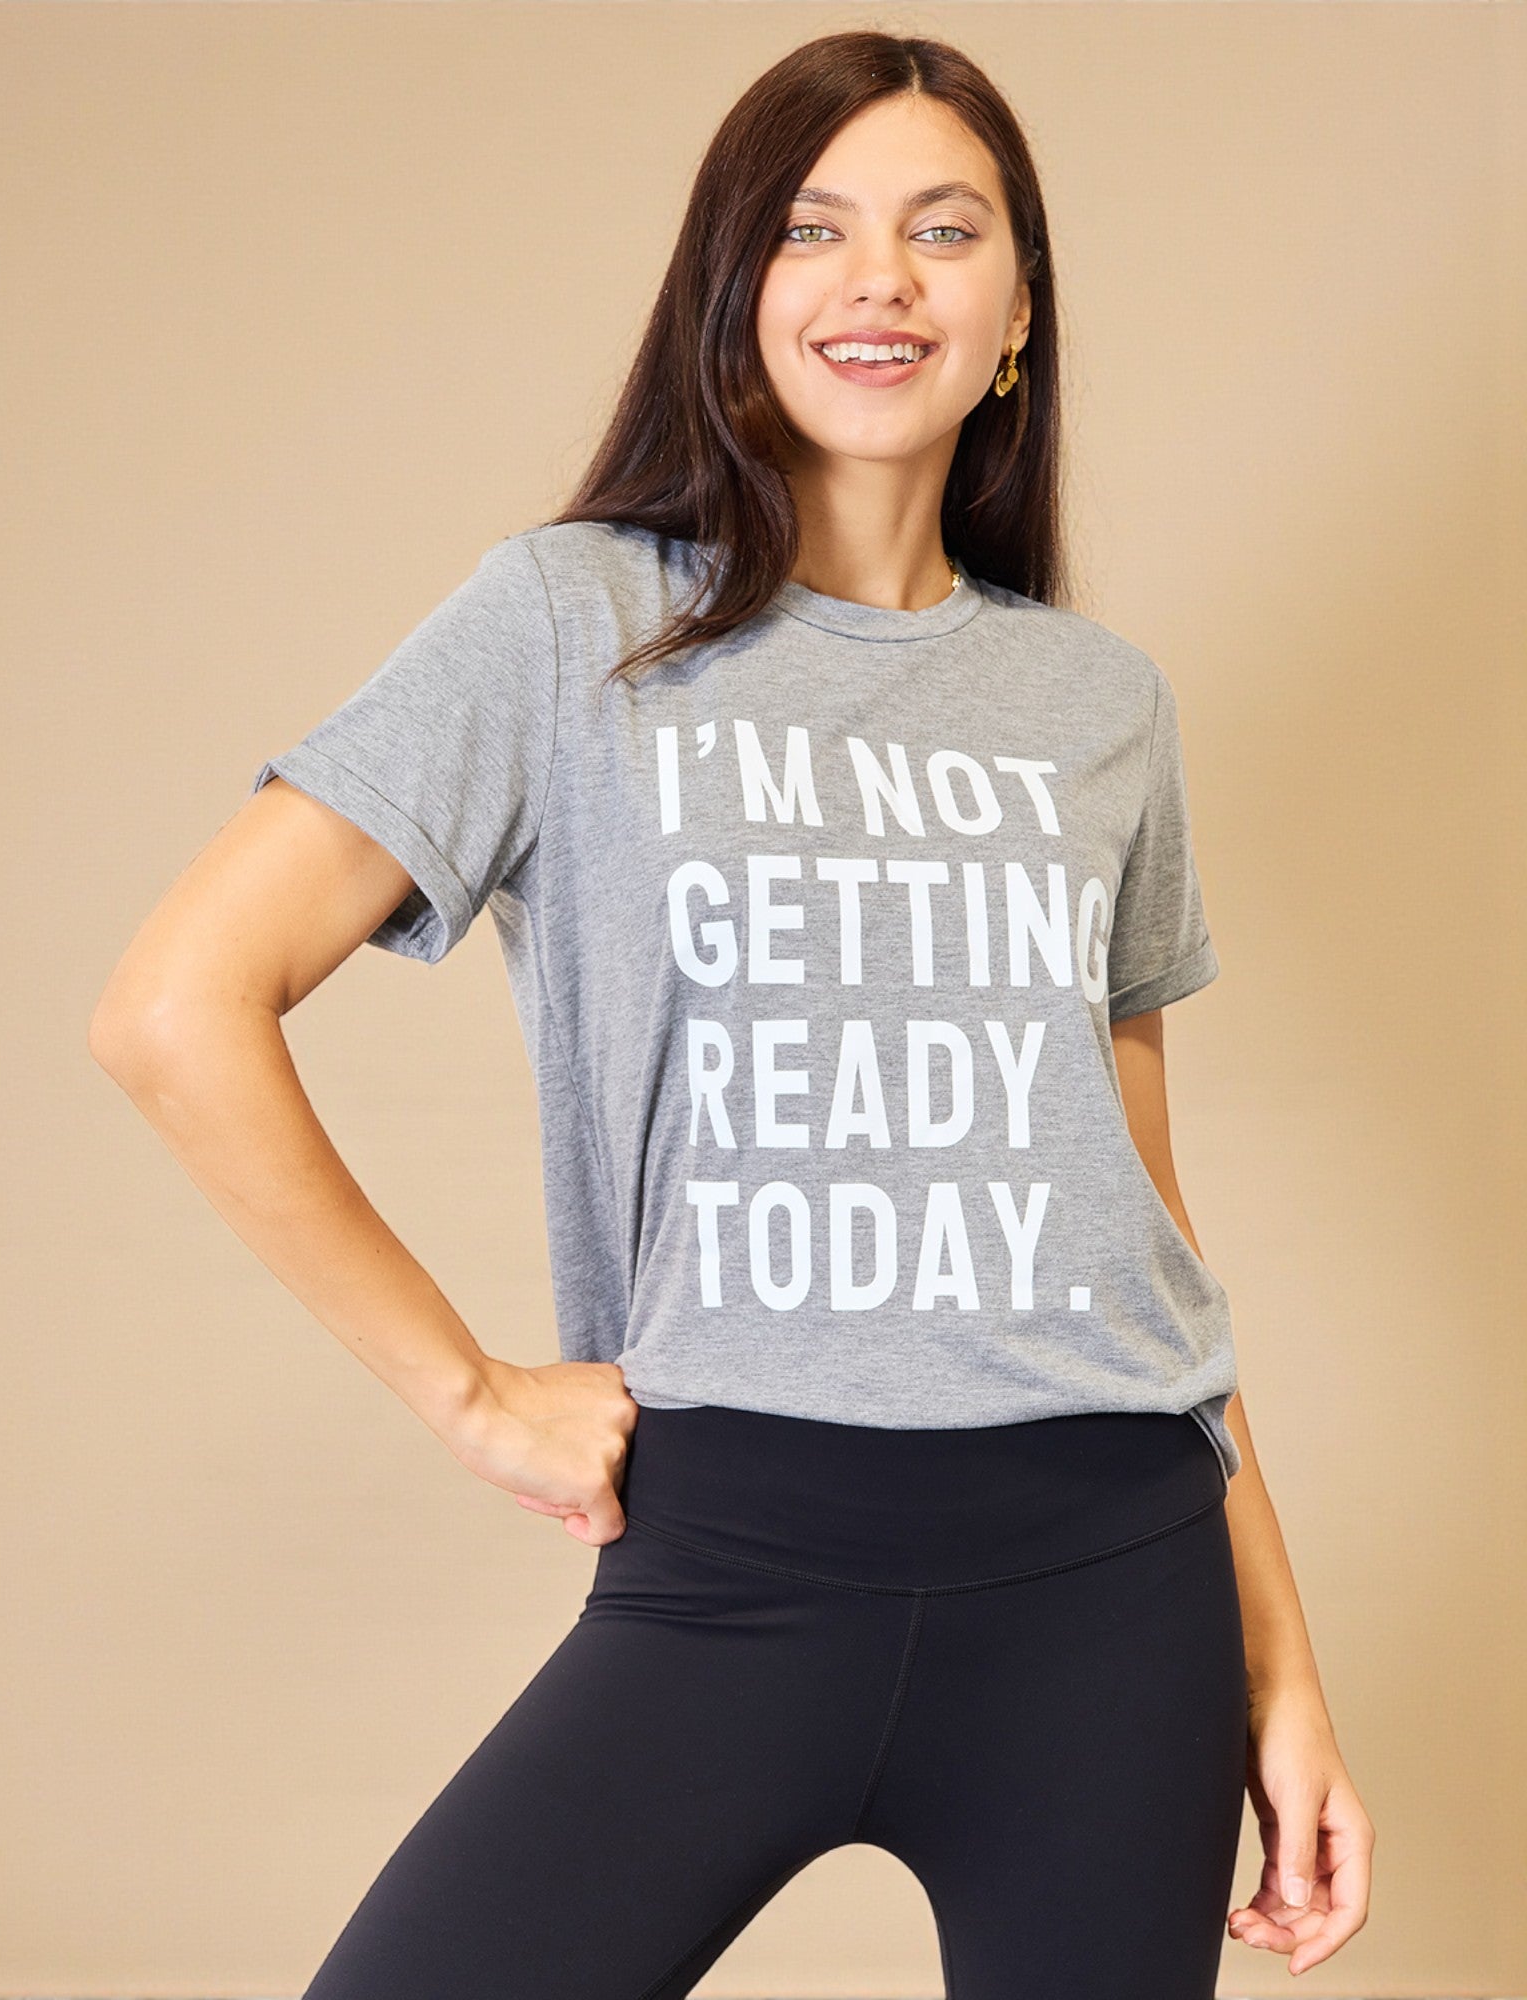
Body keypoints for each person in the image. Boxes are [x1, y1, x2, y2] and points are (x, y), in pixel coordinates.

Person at [89, 29, 1374, 1999]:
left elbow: (1139, 1218)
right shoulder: (567, 623)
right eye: (813, 231)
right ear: (732, 292)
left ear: (1015, 307)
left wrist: (1278, 1672)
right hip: (736, 1557)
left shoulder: (1094, 705)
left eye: (945, 232)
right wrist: (466, 1391)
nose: (881, 278)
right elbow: (177, 1005)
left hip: (1111, 1584)